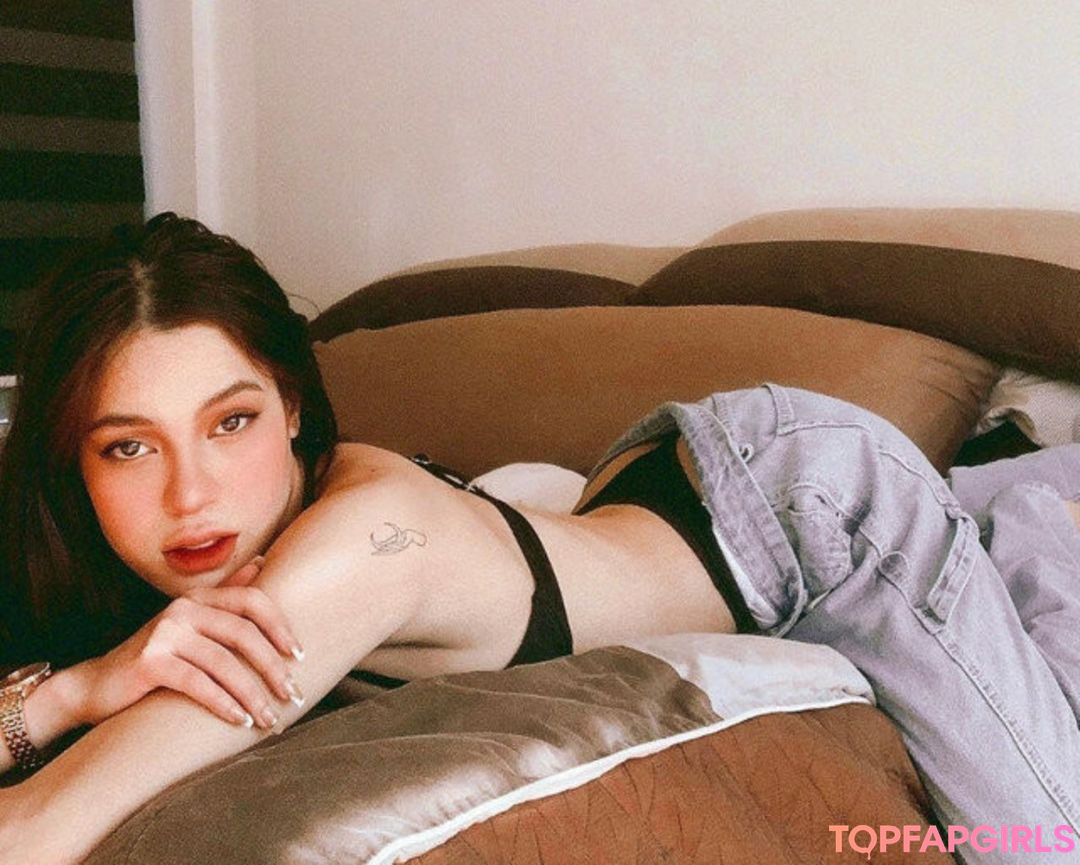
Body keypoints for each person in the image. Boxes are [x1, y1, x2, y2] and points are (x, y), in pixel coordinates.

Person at [0, 214, 1076, 865]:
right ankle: (994, 505)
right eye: (128, 447)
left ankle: (1007, 503)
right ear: (71, 463)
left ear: (289, 408)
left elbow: (36, 833)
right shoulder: (153, 566)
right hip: (646, 488)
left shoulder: (350, 555)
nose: (191, 494)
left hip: (818, 506)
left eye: (230, 423)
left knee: (1042, 843)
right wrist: (72, 689)